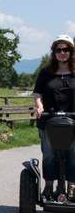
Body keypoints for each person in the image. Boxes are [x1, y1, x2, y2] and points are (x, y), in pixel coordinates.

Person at [34, 34, 75, 200]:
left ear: (71, 52)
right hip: (49, 120)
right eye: (59, 49)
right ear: (54, 52)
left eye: (66, 49)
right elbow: (37, 93)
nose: (62, 52)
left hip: (73, 120)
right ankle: (49, 185)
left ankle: (72, 185)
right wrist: (39, 106)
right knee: (49, 153)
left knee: (73, 153)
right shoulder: (46, 72)